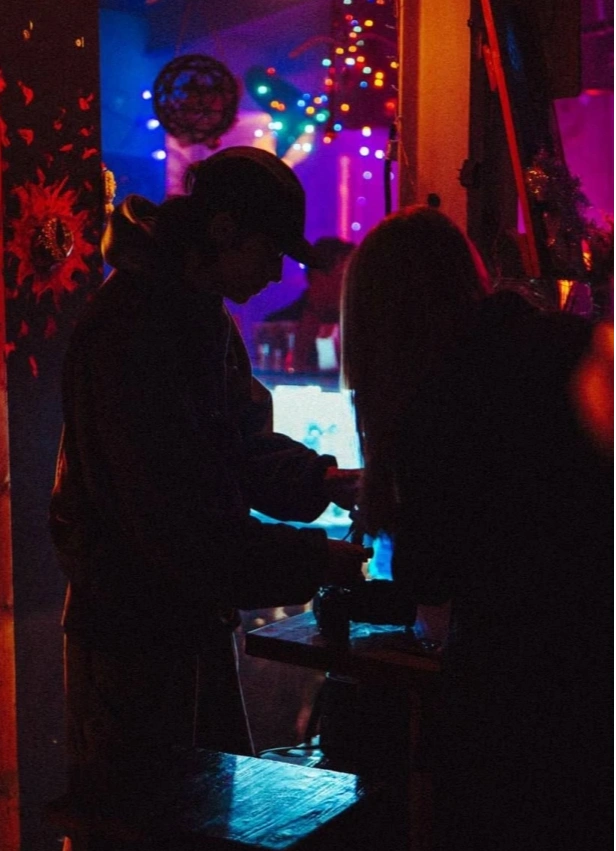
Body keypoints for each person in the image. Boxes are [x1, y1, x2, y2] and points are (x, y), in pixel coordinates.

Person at [50, 146, 367, 843]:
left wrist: (324, 480)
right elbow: (179, 523)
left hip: (178, 624)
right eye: (271, 251)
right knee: (148, 828)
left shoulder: (195, 315)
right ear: (223, 230)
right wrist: (315, 559)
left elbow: (238, 445)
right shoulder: (133, 331)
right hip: (131, 641)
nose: (279, 272)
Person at [341, 205, 614, 850]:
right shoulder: (568, 343)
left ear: (382, 317)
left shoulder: (436, 398)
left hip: (512, 693)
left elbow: (428, 575)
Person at [265, 236, 354, 372]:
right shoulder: (276, 328)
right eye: (345, 276)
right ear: (318, 276)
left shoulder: (359, 328)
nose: (354, 286)